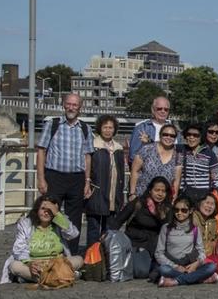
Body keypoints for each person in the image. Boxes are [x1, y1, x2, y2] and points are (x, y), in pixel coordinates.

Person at [36, 92, 93, 253]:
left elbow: (87, 156)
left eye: (75, 105)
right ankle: (48, 250)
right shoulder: (53, 124)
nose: (71, 107)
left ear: (80, 108)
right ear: (63, 105)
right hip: (55, 176)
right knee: (49, 213)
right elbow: (41, 151)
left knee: (74, 219)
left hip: (76, 178)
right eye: (69, 104)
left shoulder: (85, 128)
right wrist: (41, 178)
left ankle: (71, 254)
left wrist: (87, 181)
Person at [0, 196, 84, 284]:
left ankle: (40, 279)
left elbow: (73, 234)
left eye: (50, 210)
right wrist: (30, 264)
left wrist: (57, 214)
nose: (46, 213)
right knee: (14, 266)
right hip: (35, 264)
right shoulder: (26, 224)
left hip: (56, 264)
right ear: (37, 210)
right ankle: (61, 277)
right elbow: (19, 249)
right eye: (43, 209)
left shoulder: (58, 222)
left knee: (79, 260)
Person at [109, 176, 172, 277]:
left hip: (155, 245)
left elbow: (169, 229)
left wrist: (163, 215)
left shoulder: (167, 208)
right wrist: (108, 237)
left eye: (163, 191)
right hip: (136, 243)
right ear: (150, 190)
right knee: (141, 271)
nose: (160, 194)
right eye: (157, 190)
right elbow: (117, 222)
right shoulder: (138, 203)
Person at [155, 196, 218, 287]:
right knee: (163, 269)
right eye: (176, 210)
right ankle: (199, 279)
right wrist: (175, 266)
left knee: (212, 267)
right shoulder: (166, 228)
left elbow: (201, 251)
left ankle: (175, 281)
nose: (179, 213)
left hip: (190, 265)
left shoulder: (195, 229)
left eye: (184, 210)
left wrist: (196, 264)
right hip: (173, 265)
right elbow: (158, 253)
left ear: (190, 211)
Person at [85, 114, 125, 245]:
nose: (108, 130)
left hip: (114, 195)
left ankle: (107, 258)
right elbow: (87, 167)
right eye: (105, 127)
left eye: (111, 127)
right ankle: (92, 258)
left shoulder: (118, 148)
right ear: (99, 128)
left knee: (108, 230)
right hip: (96, 192)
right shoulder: (93, 145)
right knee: (93, 229)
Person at [130, 123, 182, 199]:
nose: (168, 137)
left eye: (172, 136)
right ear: (160, 135)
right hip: (143, 196)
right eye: (165, 134)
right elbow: (135, 171)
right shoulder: (147, 149)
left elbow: (176, 181)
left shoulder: (178, 156)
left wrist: (173, 199)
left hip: (164, 199)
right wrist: (132, 193)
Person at [179, 123, 218, 203]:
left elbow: (216, 174)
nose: (191, 137)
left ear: (200, 137)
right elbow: (179, 174)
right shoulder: (181, 151)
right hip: (186, 195)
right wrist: (181, 190)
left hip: (204, 195)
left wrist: (214, 191)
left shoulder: (209, 153)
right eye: (189, 134)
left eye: (195, 135)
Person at [129, 95, 172, 162]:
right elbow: (133, 156)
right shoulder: (141, 128)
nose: (163, 111)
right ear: (153, 110)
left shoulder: (174, 130)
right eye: (159, 109)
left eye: (166, 109)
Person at [193, 192, 218, 257]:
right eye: (207, 203)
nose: (209, 206)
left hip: (207, 256)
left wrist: (216, 241)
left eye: (212, 204)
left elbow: (213, 239)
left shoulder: (213, 221)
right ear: (199, 204)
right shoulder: (193, 218)